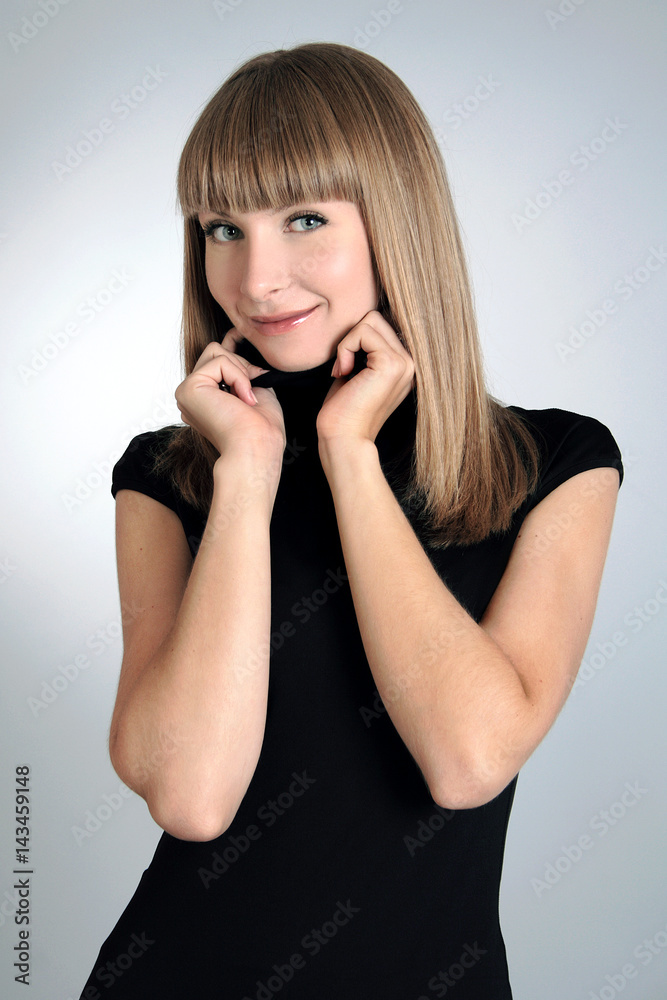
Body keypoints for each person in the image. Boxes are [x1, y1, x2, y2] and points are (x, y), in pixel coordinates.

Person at [77, 42, 623, 999]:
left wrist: (348, 456)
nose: (255, 279)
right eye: (222, 228)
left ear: (395, 219)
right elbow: (191, 797)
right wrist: (246, 477)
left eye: (304, 219)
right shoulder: (169, 477)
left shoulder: (555, 464)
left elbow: (467, 761)